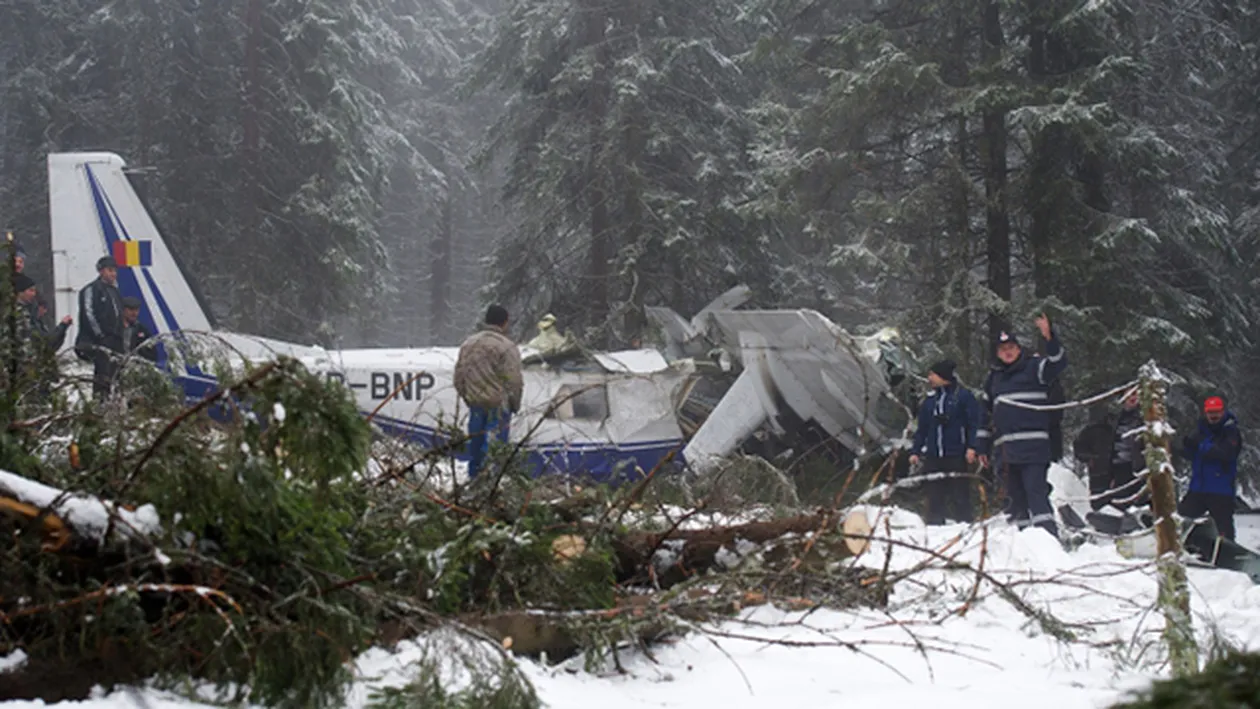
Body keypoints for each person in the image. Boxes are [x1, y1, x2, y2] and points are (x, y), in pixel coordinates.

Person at [978, 314, 1068, 537]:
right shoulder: (993, 379)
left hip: (1034, 449)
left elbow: (1058, 363)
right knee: (1015, 499)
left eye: (1011, 347)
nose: (1007, 352)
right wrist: (981, 446)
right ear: (997, 354)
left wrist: (1050, 337)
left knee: (1035, 493)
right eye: (1002, 349)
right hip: (1006, 453)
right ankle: (1025, 543)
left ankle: (1049, 540)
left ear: (1019, 349)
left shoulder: (1035, 368)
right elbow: (984, 415)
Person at [453, 305, 523, 479]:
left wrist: (468, 397)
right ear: (504, 322)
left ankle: (473, 484)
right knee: (493, 451)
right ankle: (490, 489)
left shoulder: (468, 344)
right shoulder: (506, 347)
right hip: (498, 406)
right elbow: (514, 380)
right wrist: (514, 404)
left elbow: (458, 377)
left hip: (476, 405)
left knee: (475, 449)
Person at [910, 360, 982, 524]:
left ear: (943, 376)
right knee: (934, 495)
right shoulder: (930, 402)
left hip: (956, 453)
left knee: (960, 494)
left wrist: (972, 446)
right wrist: (916, 450)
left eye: (932, 374)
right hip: (934, 455)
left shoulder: (963, 396)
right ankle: (935, 527)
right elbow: (922, 429)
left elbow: (973, 423)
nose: (929, 378)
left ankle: (965, 525)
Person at [1176, 396, 1241, 541]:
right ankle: (1185, 545)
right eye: (1210, 412)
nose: (1213, 416)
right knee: (1182, 518)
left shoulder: (1230, 431)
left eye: (1217, 412)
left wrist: (1200, 446)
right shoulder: (1200, 430)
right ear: (1205, 413)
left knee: (1223, 527)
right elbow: (1193, 455)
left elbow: (1226, 453)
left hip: (1220, 489)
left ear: (1223, 412)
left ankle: (1229, 553)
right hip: (1198, 487)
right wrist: (1184, 448)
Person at [75, 256, 124, 400]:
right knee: (102, 374)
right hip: (99, 340)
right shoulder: (91, 289)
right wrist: (100, 335)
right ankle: (100, 403)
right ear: (101, 271)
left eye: (115, 271)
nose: (113, 274)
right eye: (110, 270)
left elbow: (119, 313)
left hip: (115, 339)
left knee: (116, 373)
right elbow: (88, 313)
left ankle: (114, 403)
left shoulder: (114, 290)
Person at [120, 296, 158, 363]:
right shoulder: (115, 328)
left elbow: (152, 354)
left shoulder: (142, 330)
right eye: (131, 310)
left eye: (137, 310)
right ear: (123, 310)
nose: (134, 313)